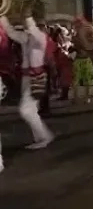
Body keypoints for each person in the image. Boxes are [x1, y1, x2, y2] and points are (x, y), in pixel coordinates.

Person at [0, 9, 54, 149]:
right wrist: (2, 15)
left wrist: (28, 17)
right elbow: (10, 32)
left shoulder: (41, 38)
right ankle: (42, 138)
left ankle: (44, 137)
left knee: (26, 110)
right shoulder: (26, 38)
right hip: (26, 78)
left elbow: (34, 32)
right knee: (31, 110)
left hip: (36, 77)